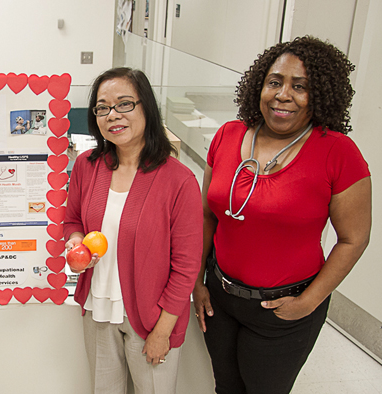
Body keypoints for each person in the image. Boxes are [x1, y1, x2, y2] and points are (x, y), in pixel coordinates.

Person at [192, 36, 371, 394]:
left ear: (319, 95)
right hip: (220, 297)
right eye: (275, 82)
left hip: (283, 309)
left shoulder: (338, 152)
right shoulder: (229, 135)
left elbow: (354, 238)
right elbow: (206, 215)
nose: (283, 94)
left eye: (300, 86)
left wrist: (308, 301)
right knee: (226, 387)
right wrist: (198, 281)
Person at [64, 67, 202, 394]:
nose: (113, 115)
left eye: (125, 104)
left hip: (153, 319)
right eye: (102, 107)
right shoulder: (87, 165)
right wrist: (75, 245)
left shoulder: (178, 180)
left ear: (146, 108)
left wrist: (162, 332)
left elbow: (185, 267)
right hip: (98, 306)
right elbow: (72, 221)